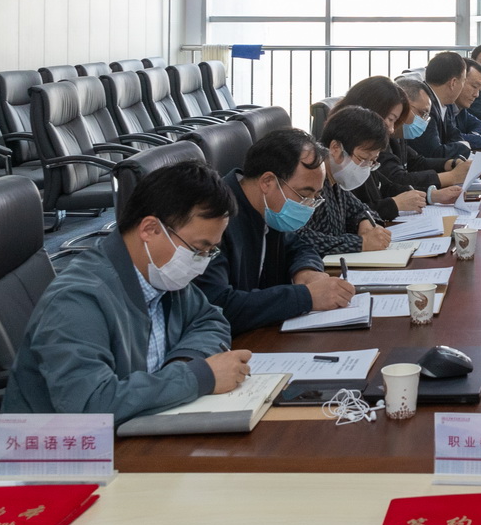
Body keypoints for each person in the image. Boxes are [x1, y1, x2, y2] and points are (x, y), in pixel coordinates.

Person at [3, 160, 252, 423]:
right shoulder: (76, 300)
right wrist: (199, 377)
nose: (201, 263)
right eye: (197, 249)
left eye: (210, 251)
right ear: (150, 229)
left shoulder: (162, 275)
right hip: (61, 444)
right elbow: (90, 405)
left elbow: (210, 319)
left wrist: (182, 364)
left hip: (137, 428)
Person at [194, 128, 355, 334]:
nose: (309, 205)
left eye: (315, 196)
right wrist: (306, 297)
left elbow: (299, 246)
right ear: (267, 182)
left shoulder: (269, 208)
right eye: (304, 195)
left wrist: (307, 271)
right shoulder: (214, 220)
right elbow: (218, 305)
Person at [333, 76, 464, 218]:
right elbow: (350, 214)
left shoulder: (376, 145)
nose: (391, 129)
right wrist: (394, 204)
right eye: (391, 119)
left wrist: (431, 195)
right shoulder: (347, 154)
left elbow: (386, 186)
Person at [295, 104, 393, 257]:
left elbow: (361, 210)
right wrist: (361, 243)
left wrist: (364, 223)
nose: (366, 167)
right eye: (363, 159)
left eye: (372, 161)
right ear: (335, 148)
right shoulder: (309, 180)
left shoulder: (336, 181)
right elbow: (297, 238)